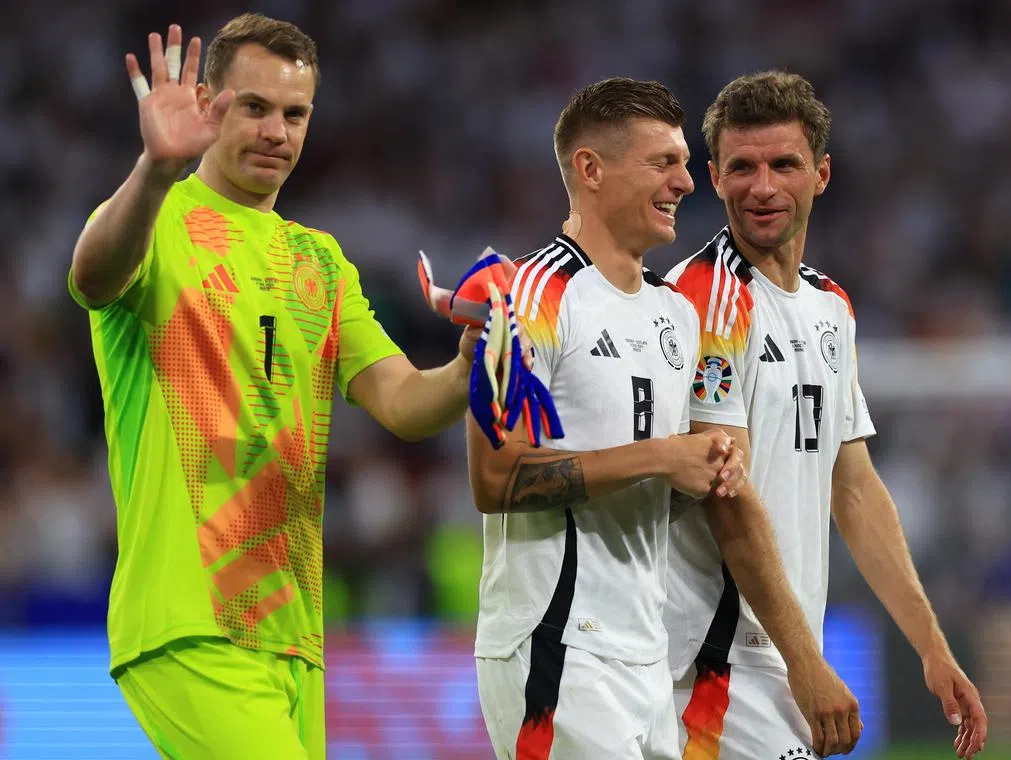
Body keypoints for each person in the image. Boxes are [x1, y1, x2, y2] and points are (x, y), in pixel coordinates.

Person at [68, 15, 479, 760]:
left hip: (294, 637)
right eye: (254, 106)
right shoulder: (156, 218)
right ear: (206, 103)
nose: (276, 131)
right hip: (186, 619)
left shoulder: (318, 261)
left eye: (294, 114)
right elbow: (93, 277)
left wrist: (468, 365)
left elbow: (403, 403)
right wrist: (154, 170)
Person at [467, 77, 857, 760]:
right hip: (557, 642)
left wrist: (705, 470)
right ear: (590, 170)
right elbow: (494, 478)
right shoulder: (523, 298)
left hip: (648, 655)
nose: (685, 182)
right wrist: (662, 458)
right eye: (663, 163)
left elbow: (675, 482)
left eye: (683, 163)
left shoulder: (674, 314)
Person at [665, 70, 989, 760]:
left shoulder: (829, 307)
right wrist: (808, 665)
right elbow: (726, 500)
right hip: (713, 665)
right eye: (742, 167)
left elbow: (855, 487)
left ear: (822, 174)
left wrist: (932, 647)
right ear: (714, 177)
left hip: (777, 655)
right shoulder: (706, 301)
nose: (763, 187)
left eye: (784, 164)